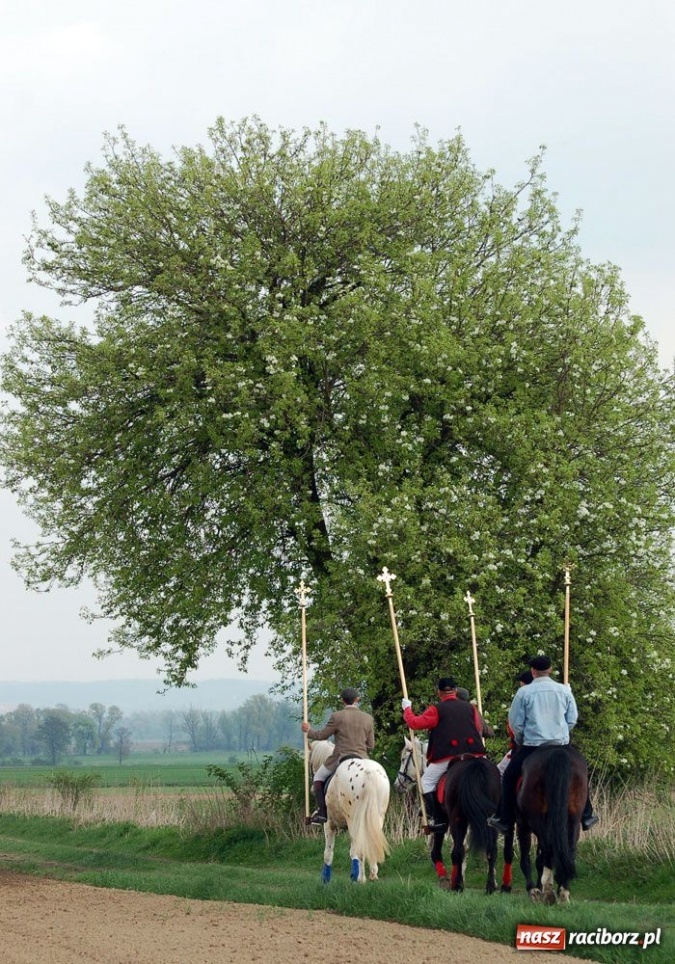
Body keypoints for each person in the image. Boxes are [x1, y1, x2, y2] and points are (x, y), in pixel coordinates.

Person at [487, 655, 599, 834]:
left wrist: (521, 739)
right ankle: (586, 814)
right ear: (550, 669)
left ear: (533, 671)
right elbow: (572, 719)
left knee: (508, 776)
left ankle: (505, 819)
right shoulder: (564, 691)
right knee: (581, 770)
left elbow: (515, 722)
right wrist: (562, 733)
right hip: (560, 744)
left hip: (533, 746)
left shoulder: (524, 692)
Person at [402, 676, 488, 832]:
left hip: (448, 756)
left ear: (439, 693)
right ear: (455, 690)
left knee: (426, 782)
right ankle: (498, 813)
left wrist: (407, 709)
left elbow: (414, 723)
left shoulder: (436, 709)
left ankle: (438, 818)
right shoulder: (471, 708)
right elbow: (479, 728)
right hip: (475, 754)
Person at [301, 687, 375, 825]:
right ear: (357, 700)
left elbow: (321, 736)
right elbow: (371, 745)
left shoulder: (337, 716)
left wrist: (308, 731)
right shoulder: (368, 718)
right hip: (363, 758)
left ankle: (322, 813)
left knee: (318, 777)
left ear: (342, 701)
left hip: (340, 757)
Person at [496, 670, 533, 776]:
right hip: (556, 743)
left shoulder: (522, 698)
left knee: (501, 773)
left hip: (529, 744)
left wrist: (519, 740)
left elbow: (514, 726)